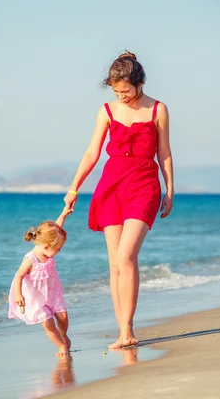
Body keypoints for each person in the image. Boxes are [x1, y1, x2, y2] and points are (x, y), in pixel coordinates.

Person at [63, 51, 174, 349]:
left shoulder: (158, 110)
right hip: (111, 185)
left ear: (140, 83)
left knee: (127, 257)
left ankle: (128, 329)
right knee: (114, 263)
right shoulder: (107, 111)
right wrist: (73, 188)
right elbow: (92, 153)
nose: (122, 96)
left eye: (126, 90)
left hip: (144, 185)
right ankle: (123, 330)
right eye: (116, 91)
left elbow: (164, 151)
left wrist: (169, 188)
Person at [8, 206, 73, 357]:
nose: (59, 251)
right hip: (36, 298)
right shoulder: (30, 259)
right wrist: (18, 295)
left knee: (63, 318)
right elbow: (19, 276)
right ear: (46, 246)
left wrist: (63, 214)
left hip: (53, 293)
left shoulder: (48, 250)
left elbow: (57, 229)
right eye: (58, 249)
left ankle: (63, 335)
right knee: (48, 324)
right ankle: (61, 347)